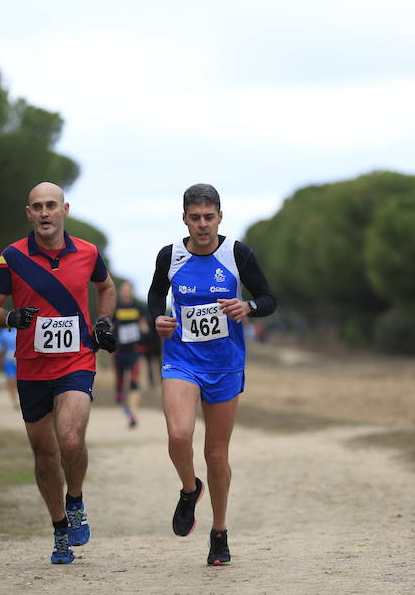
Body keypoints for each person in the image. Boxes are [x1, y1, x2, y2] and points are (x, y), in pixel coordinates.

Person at [0, 182, 117, 565]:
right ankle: (59, 528)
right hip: (32, 367)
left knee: (70, 439)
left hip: (76, 361)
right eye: (37, 207)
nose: (44, 213)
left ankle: (75, 500)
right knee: (43, 453)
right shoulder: (12, 258)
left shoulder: (88, 253)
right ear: (29, 213)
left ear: (64, 209)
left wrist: (103, 322)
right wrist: (10, 318)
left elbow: (105, 287)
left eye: (51, 205)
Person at [147, 183, 275, 566]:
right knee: (178, 434)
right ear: (184, 218)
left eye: (209, 217)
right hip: (181, 359)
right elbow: (156, 295)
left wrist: (247, 306)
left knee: (216, 453)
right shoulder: (170, 256)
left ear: (220, 216)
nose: (202, 225)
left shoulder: (237, 254)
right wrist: (157, 318)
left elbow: (269, 298)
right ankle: (190, 489)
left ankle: (219, 532)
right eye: (195, 217)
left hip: (224, 364)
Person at [112, 280, 149, 428]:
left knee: (134, 382)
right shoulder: (115, 308)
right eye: (124, 290)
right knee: (120, 383)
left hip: (134, 350)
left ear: (132, 292)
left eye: (129, 290)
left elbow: (143, 324)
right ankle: (121, 395)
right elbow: (111, 325)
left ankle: (133, 415)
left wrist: (144, 328)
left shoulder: (138, 308)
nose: (126, 292)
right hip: (119, 351)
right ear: (121, 292)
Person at [0, 326, 18, 408]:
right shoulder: (3, 332)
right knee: (11, 381)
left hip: (22, 361)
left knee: (21, 383)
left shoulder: (22, 329)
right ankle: (15, 401)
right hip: (9, 361)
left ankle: (20, 400)